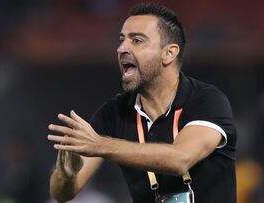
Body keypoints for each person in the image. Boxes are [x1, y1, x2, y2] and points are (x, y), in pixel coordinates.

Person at [47, 2, 237, 203]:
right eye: (121, 40)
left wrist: (100, 144)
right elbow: (62, 194)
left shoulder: (206, 100)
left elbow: (181, 159)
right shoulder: (113, 113)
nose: (121, 48)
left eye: (136, 41)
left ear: (169, 53)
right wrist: (65, 176)